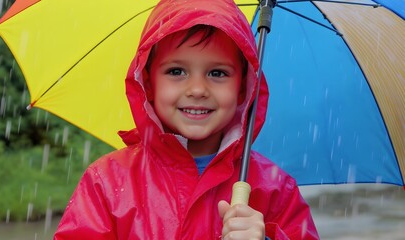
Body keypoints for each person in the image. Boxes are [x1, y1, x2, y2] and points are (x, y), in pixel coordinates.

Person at [54, 0, 319, 239]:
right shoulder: (107, 183)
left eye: (217, 73)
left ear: (243, 88)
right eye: (177, 71)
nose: (197, 89)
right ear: (148, 83)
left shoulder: (274, 190)